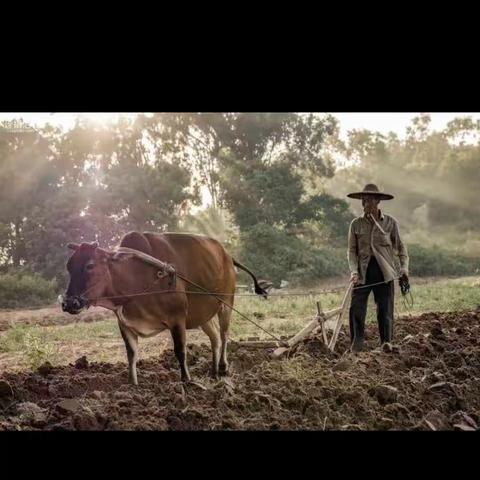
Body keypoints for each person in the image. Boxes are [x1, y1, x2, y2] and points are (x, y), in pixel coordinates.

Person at [346, 184, 409, 352]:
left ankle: (386, 343)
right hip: (363, 273)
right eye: (363, 200)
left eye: (369, 200)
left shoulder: (390, 223)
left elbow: (401, 249)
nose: (365, 203)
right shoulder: (356, 224)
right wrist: (353, 271)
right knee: (356, 308)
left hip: (384, 273)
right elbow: (352, 251)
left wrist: (404, 269)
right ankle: (357, 346)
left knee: (385, 310)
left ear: (378, 201)